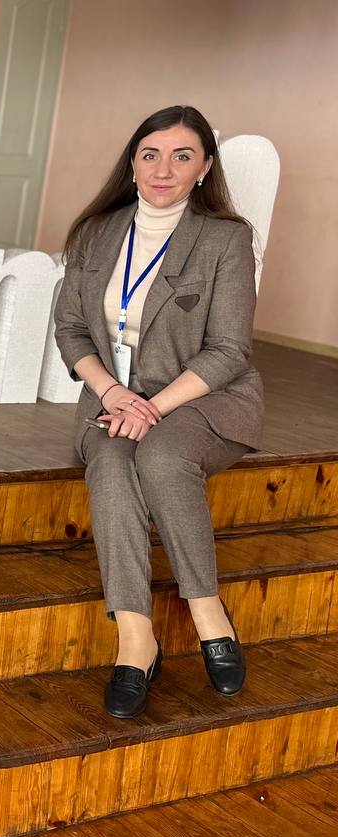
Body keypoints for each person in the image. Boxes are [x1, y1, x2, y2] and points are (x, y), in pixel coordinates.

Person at [53, 105, 262, 719]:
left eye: (181, 156)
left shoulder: (225, 238)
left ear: (205, 168)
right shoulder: (94, 232)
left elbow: (230, 349)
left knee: (164, 456)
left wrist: (151, 406)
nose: (163, 169)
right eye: (151, 154)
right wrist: (113, 394)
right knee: (112, 461)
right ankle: (135, 639)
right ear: (133, 163)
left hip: (203, 397)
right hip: (113, 398)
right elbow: (70, 329)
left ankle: (207, 612)